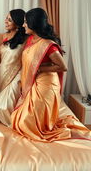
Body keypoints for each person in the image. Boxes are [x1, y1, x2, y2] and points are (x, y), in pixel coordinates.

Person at [10, 8, 91, 142]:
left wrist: (40, 69)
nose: (23, 25)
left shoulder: (48, 45)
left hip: (46, 85)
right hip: (33, 81)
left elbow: (63, 67)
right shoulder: (30, 39)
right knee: (16, 119)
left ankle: (68, 133)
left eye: (25, 22)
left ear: (33, 23)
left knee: (25, 122)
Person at [0, 9, 27, 126]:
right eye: (6, 18)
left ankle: (18, 124)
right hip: (3, 71)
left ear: (17, 23)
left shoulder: (26, 38)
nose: (5, 21)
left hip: (17, 73)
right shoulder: (5, 36)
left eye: (9, 20)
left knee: (2, 107)